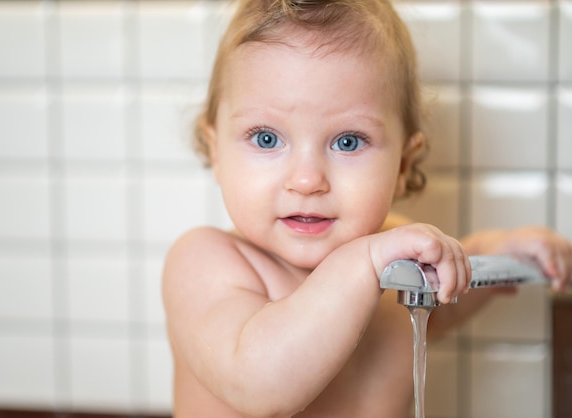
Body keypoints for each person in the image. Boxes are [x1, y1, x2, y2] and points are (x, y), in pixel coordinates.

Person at [162, 0, 572, 416]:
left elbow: (436, 310)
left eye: (348, 141)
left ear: (403, 165)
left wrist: (501, 252)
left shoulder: (386, 250)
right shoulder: (205, 264)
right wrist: (364, 262)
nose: (306, 180)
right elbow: (258, 385)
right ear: (215, 150)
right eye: (267, 138)